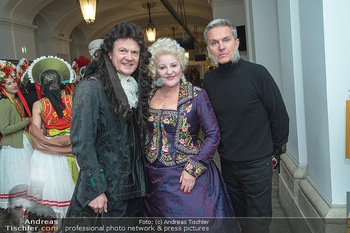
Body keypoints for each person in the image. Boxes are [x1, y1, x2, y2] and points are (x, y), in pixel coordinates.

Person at [143, 37, 240, 230]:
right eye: (163, 67)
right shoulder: (149, 96)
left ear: (181, 65)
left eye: (174, 65)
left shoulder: (197, 95)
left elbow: (213, 134)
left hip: (188, 176)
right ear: (155, 70)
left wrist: (193, 169)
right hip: (153, 178)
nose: (169, 71)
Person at [203, 19, 289, 233]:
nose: (221, 46)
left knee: (258, 223)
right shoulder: (209, 81)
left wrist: (272, 150)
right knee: (241, 218)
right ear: (208, 49)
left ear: (236, 42)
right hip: (228, 164)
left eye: (226, 40)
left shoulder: (257, 74)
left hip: (257, 163)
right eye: (214, 43)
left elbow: (279, 116)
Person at [65, 22, 151, 220]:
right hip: (106, 190)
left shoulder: (135, 86)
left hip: (134, 188)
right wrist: (95, 189)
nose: (129, 57)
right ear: (110, 54)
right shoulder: (91, 87)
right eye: (123, 51)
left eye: (135, 52)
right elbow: (82, 142)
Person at [25, 56, 78, 220]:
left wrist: (47, 139)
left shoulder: (39, 104)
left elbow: (36, 131)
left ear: (42, 85)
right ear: (60, 82)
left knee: (56, 188)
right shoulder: (71, 99)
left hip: (50, 148)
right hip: (73, 145)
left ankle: (58, 221)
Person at [0, 60, 33, 228]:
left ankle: (23, 221)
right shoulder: (4, 103)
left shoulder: (17, 101)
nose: (13, 85)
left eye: (14, 81)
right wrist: (26, 121)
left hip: (22, 146)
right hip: (13, 150)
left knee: (25, 188)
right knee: (18, 187)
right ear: (3, 87)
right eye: (9, 83)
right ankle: (20, 222)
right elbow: (4, 129)